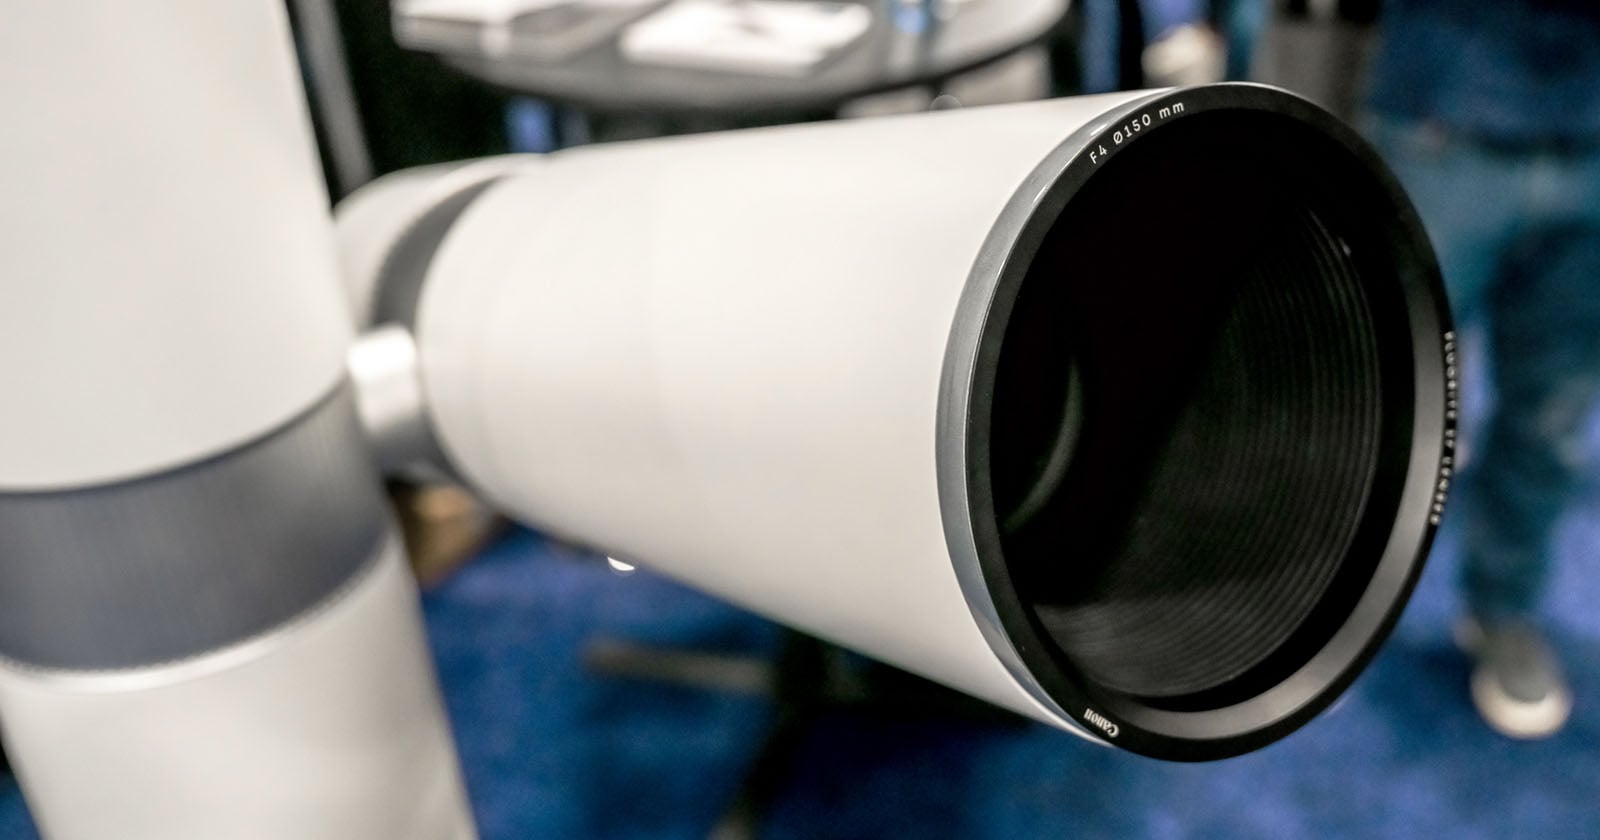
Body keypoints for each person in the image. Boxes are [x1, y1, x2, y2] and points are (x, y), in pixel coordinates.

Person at [1364, 0, 1600, 739]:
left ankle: (1502, 611)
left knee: (1552, 415)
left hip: (1589, 135)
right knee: (1370, 396)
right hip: (1443, 119)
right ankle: (1308, 613)